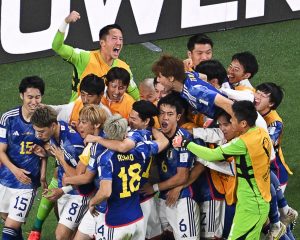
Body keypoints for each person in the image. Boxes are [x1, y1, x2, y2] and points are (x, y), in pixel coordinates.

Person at [173, 101, 272, 239]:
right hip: (257, 202)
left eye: (233, 119)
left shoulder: (243, 142)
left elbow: (212, 155)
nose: (231, 121)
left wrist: (185, 143)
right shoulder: (261, 132)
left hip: (251, 205)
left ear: (243, 124)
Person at [84, 100, 164, 239]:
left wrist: (92, 202)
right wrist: (154, 129)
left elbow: (105, 192)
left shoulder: (106, 158)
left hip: (116, 221)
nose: (129, 121)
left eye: (133, 118)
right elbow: (164, 142)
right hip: (137, 217)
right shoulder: (141, 150)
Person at [142, 93, 200, 240]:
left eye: (170, 114)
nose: (164, 118)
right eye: (161, 113)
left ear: (178, 117)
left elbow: (182, 176)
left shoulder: (184, 139)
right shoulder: (157, 137)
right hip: (163, 196)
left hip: (182, 199)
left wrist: (153, 188)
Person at [30, 106, 93, 240]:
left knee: (61, 234)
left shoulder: (74, 144)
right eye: (36, 131)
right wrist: (46, 153)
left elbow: (80, 177)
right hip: (63, 189)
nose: (38, 135)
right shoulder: (57, 131)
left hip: (78, 193)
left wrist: (61, 161)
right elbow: (64, 158)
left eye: (41, 132)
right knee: (68, 231)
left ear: (53, 125)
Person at [52, 10, 139, 102]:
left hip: (105, 112)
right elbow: (57, 47)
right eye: (114, 38)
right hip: (78, 111)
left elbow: (136, 96)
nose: (119, 42)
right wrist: (65, 22)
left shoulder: (124, 68)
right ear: (102, 43)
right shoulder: (84, 58)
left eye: (121, 39)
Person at [0, 76, 46, 240]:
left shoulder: (44, 119)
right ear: (22, 96)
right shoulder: (8, 118)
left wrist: (42, 175)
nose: (34, 102)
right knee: (7, 220)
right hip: (5, 178)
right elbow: (1, 151)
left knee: (10, 227)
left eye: (38, 97)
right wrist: (15, 171)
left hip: (27, 183)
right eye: (30, 97)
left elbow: (48, 150)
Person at [152, 54, 233, 118]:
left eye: (160, 77)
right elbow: (204, 77)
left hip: (226, 116)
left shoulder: (195, 91)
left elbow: (228, 104)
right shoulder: (187, 75)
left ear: (171, 78)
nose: (158, 80)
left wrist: (236, 126)